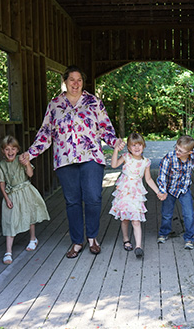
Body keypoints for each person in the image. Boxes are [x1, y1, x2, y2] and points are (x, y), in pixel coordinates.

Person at [20, 65, 118, 259]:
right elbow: (46, 133)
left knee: (93, 197)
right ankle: (76, 242)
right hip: (65, 159)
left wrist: (116, 143)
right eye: (71, 79)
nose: (75, 83)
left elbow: (106, 128)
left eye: (79, 80)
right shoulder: (55, 104)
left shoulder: (94, 102)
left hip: (91, 156)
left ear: (83, 82)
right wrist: (30, 154)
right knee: (72, 201)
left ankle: (92, 238)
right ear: (65, 81)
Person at [0, 135, 50, 265]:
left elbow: (30, 174)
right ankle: (8, 251)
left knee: (29, 214)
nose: (10, 152)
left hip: (25, 191)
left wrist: (27, 164)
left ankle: (33, 239)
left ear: (18, 150)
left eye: (13, 149)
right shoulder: (1, 166)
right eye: (7, 149)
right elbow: (1, 183)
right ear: (3, 150)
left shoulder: (21, 160)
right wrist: (6, 198)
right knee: (10, 220)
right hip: (12, 194)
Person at [109, 133, 166, 258]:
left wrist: (158, 192)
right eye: (133, 145)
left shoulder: (146, 162)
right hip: (124, 192)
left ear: (143, 146)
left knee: (136, 220)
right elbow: (113, 165)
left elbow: (149, 179)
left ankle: (138, 246)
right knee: (125, 219)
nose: (136, 147)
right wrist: (115, 150)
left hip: (136, 194)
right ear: (129, 148)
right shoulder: (126, 157)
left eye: (139, 144)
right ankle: (126, 239)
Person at [156, 135, 194, 250]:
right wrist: (162, 191)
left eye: (181, 151)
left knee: (189, 214)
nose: (177, 152)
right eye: (176, 148)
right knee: (166, 214)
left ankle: (189, 238)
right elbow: (162, 175)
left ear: (190, 152)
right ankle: (164, 233)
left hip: (184, 190)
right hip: (170, 190)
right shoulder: (169, 158)